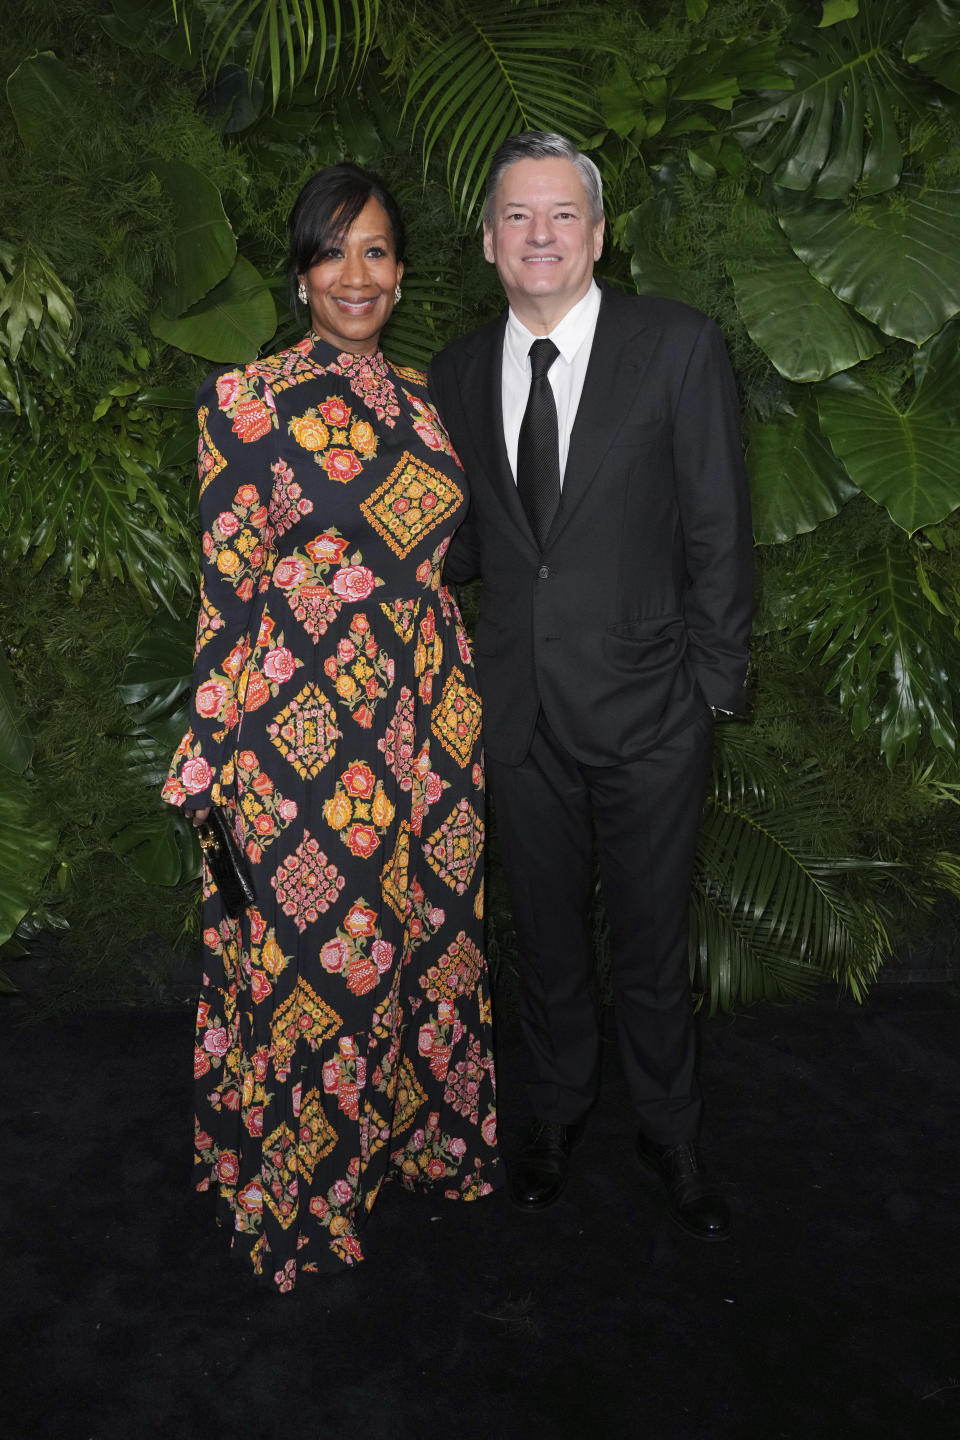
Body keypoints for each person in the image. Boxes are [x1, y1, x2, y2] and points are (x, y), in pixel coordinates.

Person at [163, 163, 500, 1291]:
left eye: (378, 253)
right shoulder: (245, 400)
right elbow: (226, 587)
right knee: (323, 954)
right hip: (307, 721)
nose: (357, 275)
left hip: (434, 717)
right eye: (334, 252)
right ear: (301, 270)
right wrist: (209, 751)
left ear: (402, 273)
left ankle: (416, 1141)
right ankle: (302, 1190)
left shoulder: (424, 399)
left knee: (431, 937)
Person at [429, 132, 753, 1240]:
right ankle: (558, 1111)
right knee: (550, 937)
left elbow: (718, 526)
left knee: (654, 942)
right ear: (486, 239)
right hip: (518, 715)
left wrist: (711, 690)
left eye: (562, 214)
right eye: (518, 215)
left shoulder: (676, 347)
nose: (540, 235)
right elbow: (468, 542)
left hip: (655, 710)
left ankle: (672, 1134)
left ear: (600, 234)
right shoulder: (460, 370)